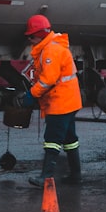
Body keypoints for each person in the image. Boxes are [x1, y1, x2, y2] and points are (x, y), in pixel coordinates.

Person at [24, 14, 83, 187]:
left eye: (31, 36)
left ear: (40, 34)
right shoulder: (52, 46)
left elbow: (48, 80)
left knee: (52, 139)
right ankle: (76, 174)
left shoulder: (51, 50)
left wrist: (32, 94)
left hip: (60, 102)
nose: (30, 39)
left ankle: (46, 177)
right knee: (70, 139)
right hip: (69, 100)